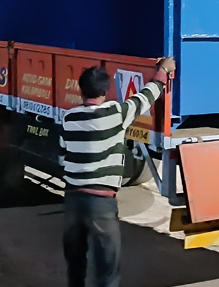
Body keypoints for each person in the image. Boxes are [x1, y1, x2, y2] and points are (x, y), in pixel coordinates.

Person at [59, 56, 176, 287]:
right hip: (101, 203)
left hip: (72, 199)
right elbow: (145, 98)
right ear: (105, 92)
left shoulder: (69, 118)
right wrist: (163, 71)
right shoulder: (115, 114)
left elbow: (63, 156)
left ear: (81, 91)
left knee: (75, 264)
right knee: (107, 269)